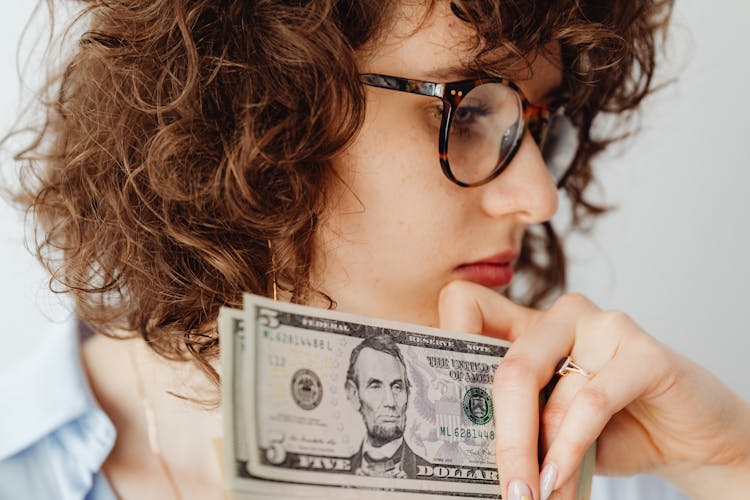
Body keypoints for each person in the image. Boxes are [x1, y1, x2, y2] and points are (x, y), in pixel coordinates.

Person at [0, 0, 748, 499]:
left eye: (536, 121)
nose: (538, 198)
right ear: (263, 103)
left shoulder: (602, 462)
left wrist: (727, 465)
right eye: (469, 107)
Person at [344, 333, 430, 478]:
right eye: (375, 387)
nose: (390, 402)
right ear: (354, 394)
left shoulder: (431, 475)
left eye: (397, 387)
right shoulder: (334, 472)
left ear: (408, 392)